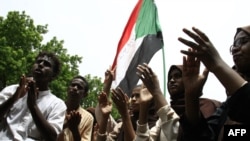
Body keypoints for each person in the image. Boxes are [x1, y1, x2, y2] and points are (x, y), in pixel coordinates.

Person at [177, 26, 249, 141]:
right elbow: (202, 137)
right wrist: (191, 96)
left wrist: (216, 63)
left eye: (243, 41)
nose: (235, 49)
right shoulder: (227, 108)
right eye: (234, 45)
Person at [0, 51, 67, 141]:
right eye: (38, 62)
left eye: (46, 64)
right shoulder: (12, 90)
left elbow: (52, 137)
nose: (40, 65)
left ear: (53, 76)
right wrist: (14, 98)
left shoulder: (57, 104)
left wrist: (33, 106)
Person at [135, 63, 180, 141]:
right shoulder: (161, 121)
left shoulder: (202, 110)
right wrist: (143, 105)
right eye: (170, 78)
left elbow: (175, 134)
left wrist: (156, 92)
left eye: (178, 76)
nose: (172, 80)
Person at [57, 75, 94, 141]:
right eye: (73, 85)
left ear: (85, 94)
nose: (75, 88)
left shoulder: (88, 118)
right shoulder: (55, 106)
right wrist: (65, 125)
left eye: (79, 87)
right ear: (67, 88)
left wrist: (75, 130)